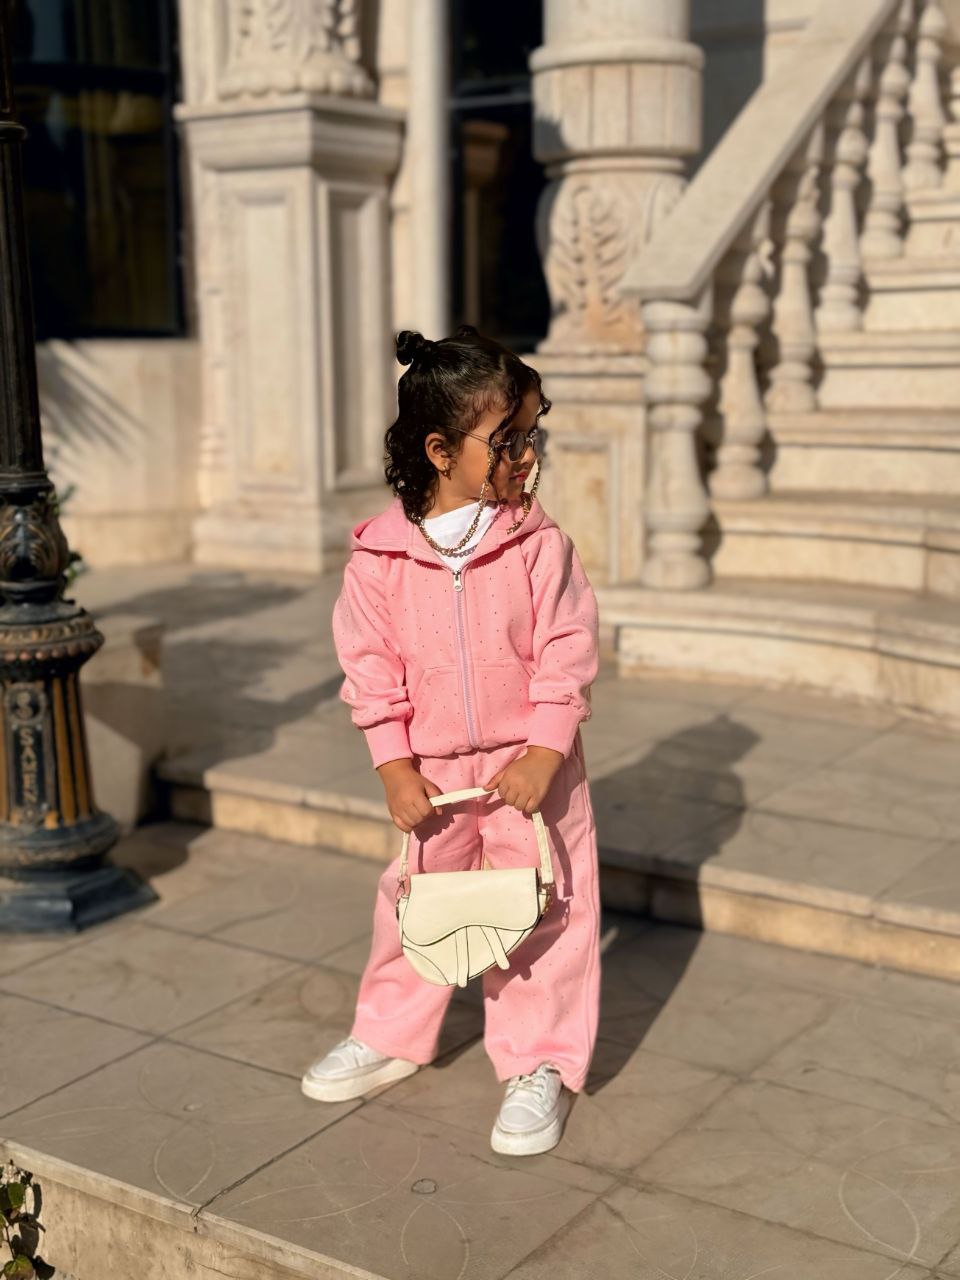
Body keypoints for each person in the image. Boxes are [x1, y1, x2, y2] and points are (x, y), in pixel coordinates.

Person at [301, 325, 602, 1157]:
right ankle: (390, 1034)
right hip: (433, 775)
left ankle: (539, 1061)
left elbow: (568, 648)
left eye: (532, 435)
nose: (526, 456)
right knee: (416, 901)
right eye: (507, 440)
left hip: (531, 770)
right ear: (440, 450)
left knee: (547, 907)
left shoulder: (538, 544)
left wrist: (544, 752)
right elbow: (370, 668)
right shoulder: (380, 560)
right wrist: (394, 768)